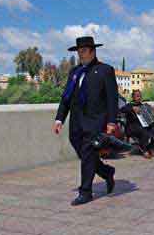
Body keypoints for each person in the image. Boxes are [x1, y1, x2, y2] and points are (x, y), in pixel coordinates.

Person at [53, 36, 117, 206]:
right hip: (76, 122)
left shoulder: (105, 70)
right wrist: (60, 118)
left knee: (88, 154)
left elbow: (112, 99)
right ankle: (106, 171)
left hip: (95, 121)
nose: (80, 54)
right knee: (84, 154)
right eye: (79, 51)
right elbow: (66, 97)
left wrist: (111, 122)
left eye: (83, 51)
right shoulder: (75, 72)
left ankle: (85, 192)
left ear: (92, 51)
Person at [121, 90, 154, 159]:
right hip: (131, 127)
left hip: (142, 125)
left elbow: (150, 115)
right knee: (144, 131)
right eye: (137, 96)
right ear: (133, 97)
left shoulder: (143, 105)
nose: (139, 97)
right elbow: (122, 109)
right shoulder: (129, 105)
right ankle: (144, 150)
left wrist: (153, 110)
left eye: (140, 96)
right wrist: (132, 108)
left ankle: (148, 148)